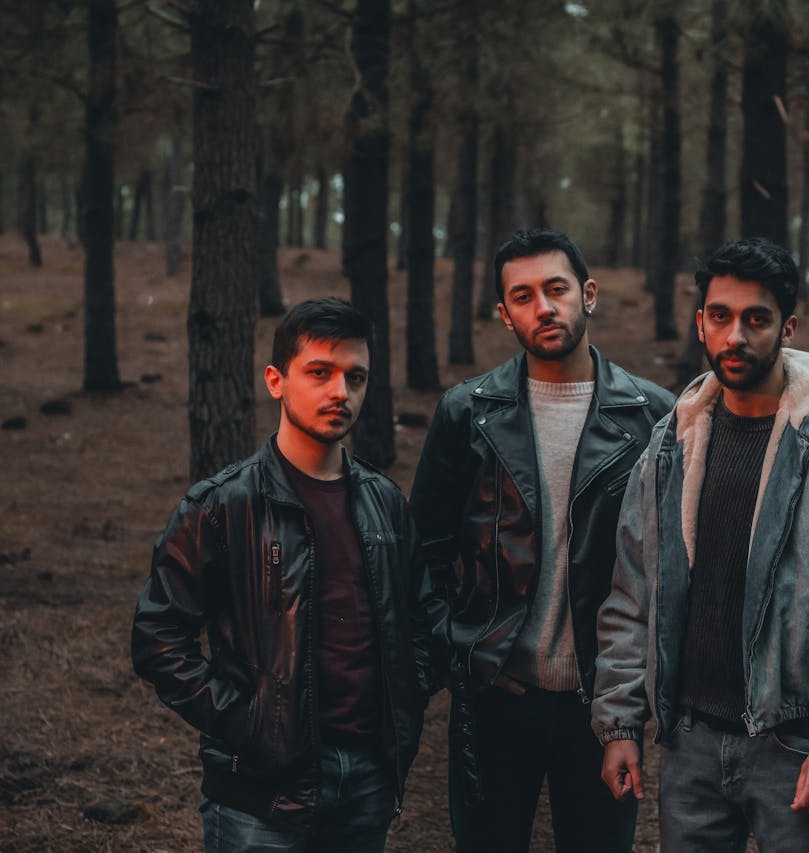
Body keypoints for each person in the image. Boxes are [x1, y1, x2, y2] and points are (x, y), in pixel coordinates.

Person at [592, 237, 809, 852]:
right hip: (690, 745)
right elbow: (632, 588)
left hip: (796, 747)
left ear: (786, 327)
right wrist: (620, 721)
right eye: (720, 316)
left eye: (755, 319)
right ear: (700, 322)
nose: (735, 336)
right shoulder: (670, 441)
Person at [132, 298, 438, 852]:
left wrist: (404, 705)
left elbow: (421, 621)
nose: (340, 392)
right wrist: (247, 725)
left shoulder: (385, 505)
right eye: (320, 373)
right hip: (258, 792)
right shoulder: (223, 505)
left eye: (356, 377)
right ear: (276, 381)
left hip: (367, 779)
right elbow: (157, 638)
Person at [410, 228, 674, 853]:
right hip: (498, 695)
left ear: (588, 295)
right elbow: (422, 553)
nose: (543, 308)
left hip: (603, 706)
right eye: (522, 297)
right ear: (504, 315)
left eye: (556, 289)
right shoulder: (467, 413)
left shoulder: (652, 416)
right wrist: (461, 650)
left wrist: (634, 701)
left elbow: (668, 565)